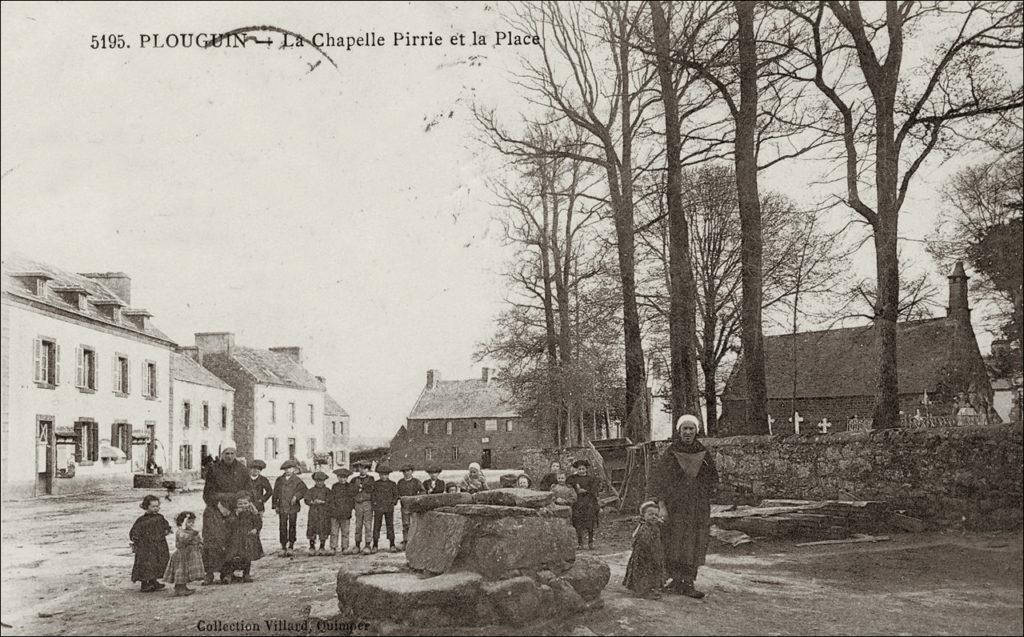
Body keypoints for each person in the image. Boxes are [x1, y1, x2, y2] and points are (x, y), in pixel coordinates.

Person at [647, 414, 719, 598]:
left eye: (691, 429)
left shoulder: (703, 453)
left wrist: (700, 494)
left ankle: (688, 581)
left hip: (697, 508)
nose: (688, 432)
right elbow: (660, 480)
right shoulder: (671, 453)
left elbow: (712, 480)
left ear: (696, 431)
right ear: (679, 431)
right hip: (675, 507)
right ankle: (675, 579)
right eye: (684, 429)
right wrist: (662, 505)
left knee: (692, 542)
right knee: (673, 540)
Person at [201, 443, 250, 583]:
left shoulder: (242, 469)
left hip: (235, 507)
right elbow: (207, 493)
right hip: (216, 507)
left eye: (232, 453)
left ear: (236, 454)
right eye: (226, 453)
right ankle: (209, 573)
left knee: (234, 540)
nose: (229, 456)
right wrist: (219, 506)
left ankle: (229, 572)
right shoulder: (213, 469)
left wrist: (241, 504)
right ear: (221, 454)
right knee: (212, 541)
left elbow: (248, 490)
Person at [623, 501, 666, 599]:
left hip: (654, 553)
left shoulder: (656, 527)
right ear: (643, 515)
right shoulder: (644, 528)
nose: (653, 517)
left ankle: (652, 589)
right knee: (643, 572)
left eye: (656, 515)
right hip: (644, 555)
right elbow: (643, 542)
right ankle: (642, 591)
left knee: (654, 571)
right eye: (650, 514)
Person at [130, 494, 171, 593]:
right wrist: (136, 539)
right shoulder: (142, 520)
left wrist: (167, 530)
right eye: (153, 506)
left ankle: (154, 581)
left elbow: (166, 526)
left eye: (157, 506)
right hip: (146, 547)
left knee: (158, 562)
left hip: (159, 545)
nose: (156, 508)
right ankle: (145, 584)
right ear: (146, 507)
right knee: (147, 564)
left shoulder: (160, 517)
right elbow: (134, 531)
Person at [224, 492, 264, 582]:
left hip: (248, 538)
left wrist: (255, 529)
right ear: (236, 505)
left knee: (247, 556)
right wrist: (236, 515)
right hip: (235, 539)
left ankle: (246, 574)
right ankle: (229, 574)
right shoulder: (233, 514)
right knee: (232, 556)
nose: (243, 506)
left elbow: (258, 523)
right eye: (240, 504)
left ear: (249, 503)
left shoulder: (252, 513)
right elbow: (229, 524)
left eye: (245, 503)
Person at [272, 459, 308, 556]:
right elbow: (275, 493)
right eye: (286, 469)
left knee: (292, 525)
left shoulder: (297, 480)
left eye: (290, 468)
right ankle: (283, 545)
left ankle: (291, 545)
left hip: (293, 506)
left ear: (294, 469)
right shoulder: (279, 480)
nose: (288, 470)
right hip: (282, 506)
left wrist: (296, 496)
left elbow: (304, 490)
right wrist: (275, 505)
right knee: (282, 526)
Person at [567, 460, 600, 550]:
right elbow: (569, 484)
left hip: (589, 502)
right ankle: (580, 543)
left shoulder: (591, 478)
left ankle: (590, 542)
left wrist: (585, 491)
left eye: (583, 469)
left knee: (590, 522)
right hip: (578, 503)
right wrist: (576, 487)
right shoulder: (573, 478)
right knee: (578, 522)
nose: (581, 471)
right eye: (579, 469)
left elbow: (593, 489)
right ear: (577, 469)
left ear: (586, 469)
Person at [370, 465, 399, 553]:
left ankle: (392, 544)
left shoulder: (392, 484)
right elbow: (373, 495)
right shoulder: (376, 484)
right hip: (378, 508)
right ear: (379, 475)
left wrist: (393, 502)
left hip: (389, 508)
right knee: (376, 526)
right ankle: (375, 545)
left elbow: (396, 495)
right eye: (381, 475)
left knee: (390, 525)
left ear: (388, 475)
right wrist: (374, 504)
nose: (383, 476)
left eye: (385, 475)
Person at [350, 461, 376, 554]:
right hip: (358, 503)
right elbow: (351, 491)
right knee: (358, 524)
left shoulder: (371, 478)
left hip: (367, 503)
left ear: (367, 469)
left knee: (368, 524)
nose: (363, 470)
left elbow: (371, 489)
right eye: (361, 468)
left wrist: (362, 486)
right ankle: (357, 544)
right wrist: (358, 488)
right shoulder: (354, 480)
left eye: (365, 468)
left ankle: (368, 544)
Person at [304, 471, 332, 555]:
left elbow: (330, 500)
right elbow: (306, 500)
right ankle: (312, 546)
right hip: (313, 513)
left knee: (323, 528)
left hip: (324, 513)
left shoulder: (327, 490)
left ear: (324, 481)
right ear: (314, 481)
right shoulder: (311, 490)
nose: (319, 482)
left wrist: (323, 502)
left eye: (321, 480)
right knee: (312, 528)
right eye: (317, 480)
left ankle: (322, 546)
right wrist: (312, 502)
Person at [396, 464, 423, 548]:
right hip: (405, 507)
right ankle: (406, 540)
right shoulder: (400, 482)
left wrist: (416, 498)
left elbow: (423, 492)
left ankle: (415, 541)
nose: (406, 473)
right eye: (404, 471)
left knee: (415, 524)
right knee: (406, 524)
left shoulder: (416, 481)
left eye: (408, 471)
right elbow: (397, 493)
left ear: (412, 471)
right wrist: (400, 497)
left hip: (414, 507)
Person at [329, 468, 355, 555]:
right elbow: (331, 499)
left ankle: (345, 547)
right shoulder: (334, 486)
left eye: (344, 477)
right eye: (340, 477)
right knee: (334, 531)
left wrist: (349, 509)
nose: (342, 479)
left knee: (345, 531)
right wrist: (333, 509)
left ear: (347, 478)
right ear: (337, 477)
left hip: (345, 513)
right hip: (335, 513)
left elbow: (351, 500)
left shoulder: (350, 487)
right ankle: (333, 547)